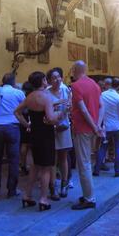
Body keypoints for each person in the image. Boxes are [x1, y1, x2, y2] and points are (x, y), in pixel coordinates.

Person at [14, 71, 65, 211]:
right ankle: (43, 198)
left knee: (35, 166)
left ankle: (27, 195)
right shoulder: (46, 97)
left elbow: (16, 112)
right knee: (46, 168)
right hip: (46, 135)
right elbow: (50, 119)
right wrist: (61, 114)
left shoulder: (29, 97)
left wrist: (27, 124)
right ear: (43, 81)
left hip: (34, 134)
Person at [0, 73, 27, 198]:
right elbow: (24, 110)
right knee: (13, 159)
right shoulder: (18, 93)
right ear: (14, 82)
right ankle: (12, 190)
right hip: (13, 127)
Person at [70, 61, 104, 210]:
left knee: (84, 164)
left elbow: (83, 110)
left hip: (83, 129)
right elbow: (102, 106)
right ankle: (87, 194)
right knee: (87, 161)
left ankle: (89, 198)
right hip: (92, 129)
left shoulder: (76, 86)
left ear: (75, 70)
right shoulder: (95, 85)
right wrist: (98, 125)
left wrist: (94, 126)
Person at [46, 68, 73, 199]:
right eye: (54, 78)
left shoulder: (65, 90)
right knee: (52, 158)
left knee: (63, 156)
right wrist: (56, 103)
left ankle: (64, 183)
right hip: (51, 127)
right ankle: (53, 187)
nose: (57, 80)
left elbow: (70, 105)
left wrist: (68, 107)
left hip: (64, 126)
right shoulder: (46, 92)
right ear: (49, 80)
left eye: (59, 77)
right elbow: (43, 107)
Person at [94, 78, 119, 177]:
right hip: (117, 126)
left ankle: (97, 169)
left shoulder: (103, 95)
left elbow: (99, 108)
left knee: (103, 148)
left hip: (106, 126)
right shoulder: (118, 97)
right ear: (118, 86)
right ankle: (118, 170)